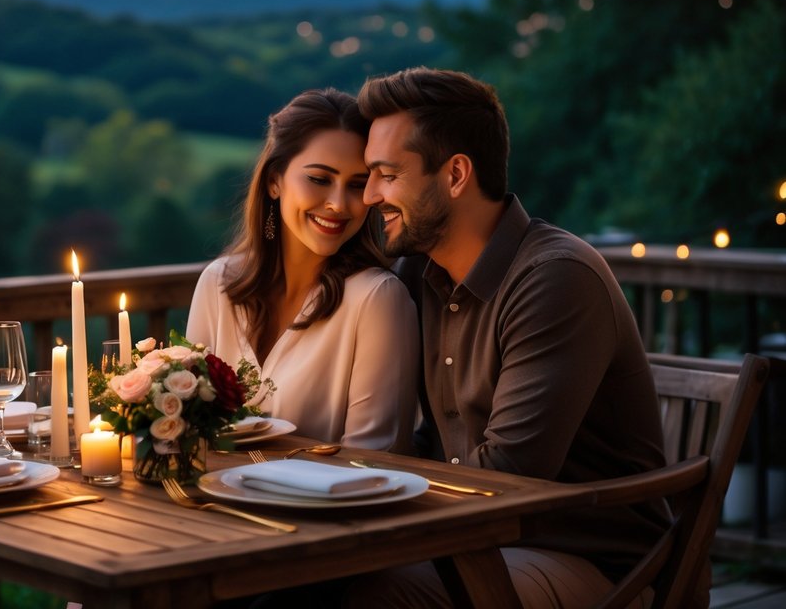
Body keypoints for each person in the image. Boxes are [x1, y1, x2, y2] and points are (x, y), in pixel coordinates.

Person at [348, 66, 672, 607]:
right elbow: (437, 445)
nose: (369, 196)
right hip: (478, 535)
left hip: (591, 558)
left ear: (455, 175)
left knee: (364, 592)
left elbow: (510, 475)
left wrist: (370, 496)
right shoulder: (419, 276)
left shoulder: (555, 278)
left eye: (387, 173)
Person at [187, 88, 419, 451]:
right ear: (274, 180)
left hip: (325, 507)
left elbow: (373, 459)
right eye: (320, 179)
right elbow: (189, 431)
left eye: (357, 186)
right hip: (210, 502)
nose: (338, 204)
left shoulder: (376, 299)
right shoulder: (218, 283)